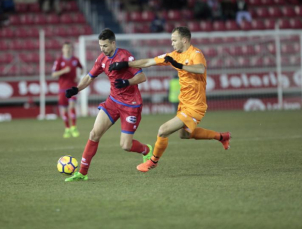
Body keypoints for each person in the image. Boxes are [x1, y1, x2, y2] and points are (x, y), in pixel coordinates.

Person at [109, 26, 231, 173]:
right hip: (184, 103)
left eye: (174, 40)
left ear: (184, 40)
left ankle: (152, 161)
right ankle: (222, 137)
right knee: (184, 134)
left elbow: (200, 69)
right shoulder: (174, 55)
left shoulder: (195, 53)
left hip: (195, 105)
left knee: (163, 130)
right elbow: (149, 62)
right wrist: (126, 64)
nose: (172, 43)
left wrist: (177, 65)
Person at [64, 28, 152, 181]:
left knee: (125, 146)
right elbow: (89, 76)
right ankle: (82, 173)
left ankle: (146, 150)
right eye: (100, 46)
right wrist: (76, 89)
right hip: (113, 101)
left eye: (105, 46)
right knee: (94, 134)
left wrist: (127, 81)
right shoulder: (101, 59)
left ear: (113, 43)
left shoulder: (125, 56)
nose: (102, 49)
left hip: (131, 105)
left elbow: (142, 77)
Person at [51, 42, 83, 138]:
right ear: (63, 50)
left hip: (72, 87)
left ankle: (74, 127)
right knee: (64, 109)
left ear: (71, 49)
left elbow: (81, 68)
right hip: (62, 88)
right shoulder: (59, 60)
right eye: (66, 48)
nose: (67, 50)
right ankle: (67, 128)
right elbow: (53, 74)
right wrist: (63, 71)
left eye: (69, 48)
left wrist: (79, 76)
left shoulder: (75, 60)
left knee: (72, 106)